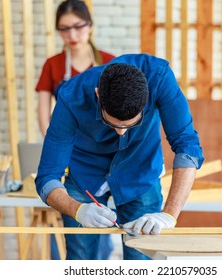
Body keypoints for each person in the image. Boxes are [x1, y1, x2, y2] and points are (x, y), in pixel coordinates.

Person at [35, 53, 204, 260]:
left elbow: (187, 147)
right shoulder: (71, 97)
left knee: (140, 259)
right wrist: (77, 209)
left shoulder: (159, 78)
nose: (121, 133)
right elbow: (47, 177)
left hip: (139, 170)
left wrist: (169, 215)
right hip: (85, 173)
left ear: (147, 99)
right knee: (80, 259)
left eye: (130, 125)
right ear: (98, 95)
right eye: (113, 123)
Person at [35, 0, 115, 259]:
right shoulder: (53, 65)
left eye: (78, 27)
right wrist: (57, 152)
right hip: (72, 153)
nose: (72, 35)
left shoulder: (109, 62)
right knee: (78, 234)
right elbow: (43, 112)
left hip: (108, 155)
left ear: (90, 26)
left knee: (109, 229)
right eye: (64, 29)